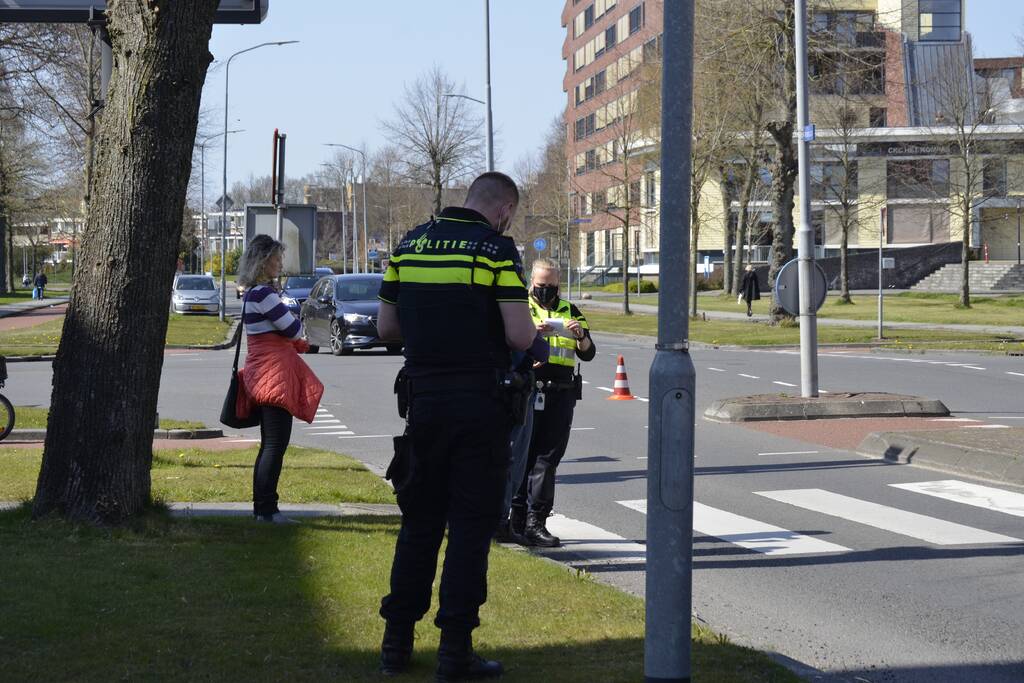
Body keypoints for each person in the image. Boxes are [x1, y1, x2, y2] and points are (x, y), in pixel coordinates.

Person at [376, 172, 535, 681]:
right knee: (469, 528)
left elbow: (387, 328)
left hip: (423, 403)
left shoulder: (410, 244)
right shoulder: (495, 252)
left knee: (419, 523)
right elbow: (517, 334)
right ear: (504, 208)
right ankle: (454, 652)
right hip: (480, 406)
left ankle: (395, 645)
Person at [234, 234, 324, 523]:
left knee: (268, 445)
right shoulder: (264, 295)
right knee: (275, 445)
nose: (280, 263)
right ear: (263, 261)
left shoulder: (251, 294)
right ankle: (267, 511)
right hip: (274, 377)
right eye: (276, 258)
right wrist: (294, 319)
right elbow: (293, 329)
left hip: (260, 374)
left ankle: (263, 509)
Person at [510, 258, 596, 547]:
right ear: (531, 282)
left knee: (547, 460)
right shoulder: (520, 307)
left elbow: (588, 352)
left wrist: (580, 335)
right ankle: (516, 519)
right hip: (528, 390)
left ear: (559, 284)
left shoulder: (570, 310)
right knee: (523, 457)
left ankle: (537, 522)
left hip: (561, 392)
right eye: (541, 285)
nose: (546, 290)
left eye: (552, 286)